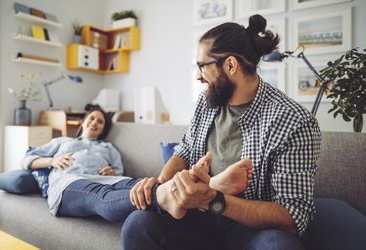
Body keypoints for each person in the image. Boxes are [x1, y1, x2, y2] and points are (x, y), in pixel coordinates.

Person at [124, 14, 321, 250]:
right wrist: (165, 184)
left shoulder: (294, 121)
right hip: (199, 220)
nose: (197, 76)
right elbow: (185, 150)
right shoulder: (206, 102)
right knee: (139, 223)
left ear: (230, 65)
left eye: (202, 66)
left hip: (252, 230)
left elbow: (293, 217)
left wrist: (214, 199)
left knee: (278, 246)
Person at [21, 107, 253, 223]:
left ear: (103, 129)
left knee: (136, 185)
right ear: (83, 123)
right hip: (71, 182)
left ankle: (202, 190)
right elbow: (27, 160)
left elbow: (120, 173)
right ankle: (177, 194)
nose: (95, 123)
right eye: (91, 118)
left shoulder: (108, 148)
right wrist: (52, 161)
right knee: (99, 196)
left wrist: (112, 171)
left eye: (100, 122)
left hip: (110, 179)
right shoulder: (63, 141)